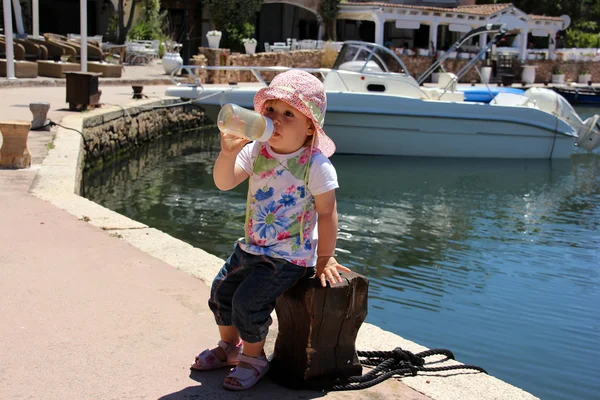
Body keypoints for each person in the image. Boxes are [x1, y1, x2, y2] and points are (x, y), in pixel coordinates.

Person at [191, 69, 350, 391]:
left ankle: (254, 358)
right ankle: (229, 348)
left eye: (288, 113)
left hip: (287, 255)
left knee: (249, 304)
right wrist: (228, 153)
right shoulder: (256, 151)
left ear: (309, 127)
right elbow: (224, 183)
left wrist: (326, 257)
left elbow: (327, 212)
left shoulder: (315, 164)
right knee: (221, 293)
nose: (275, 119)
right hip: (251, 245)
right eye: (270, 111)